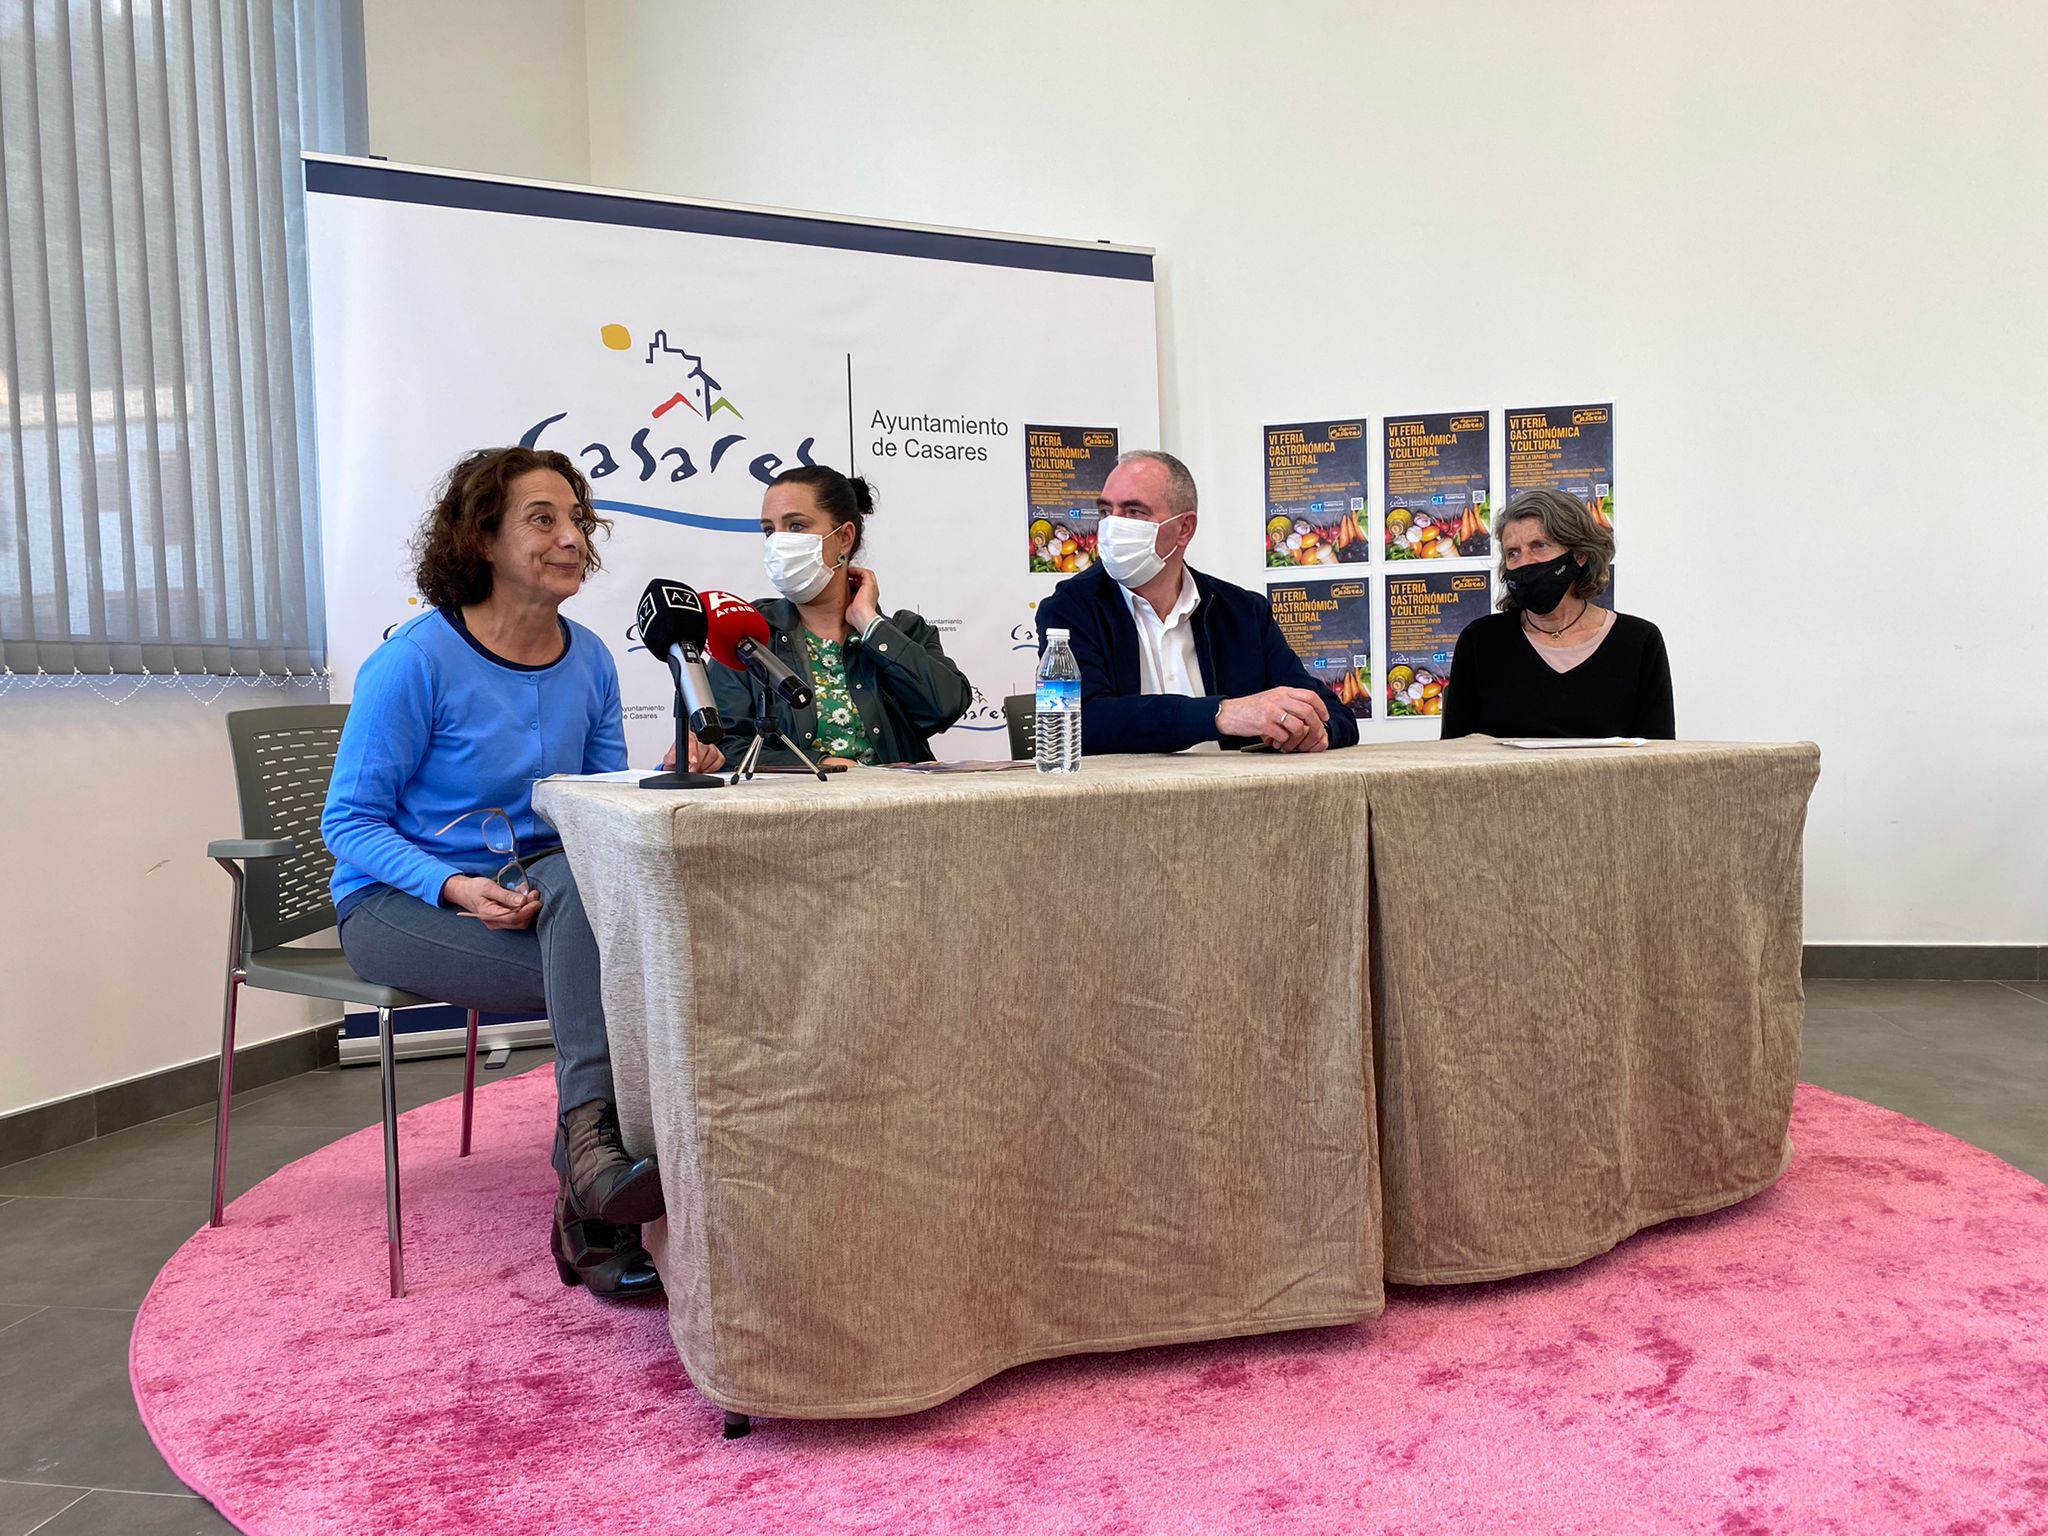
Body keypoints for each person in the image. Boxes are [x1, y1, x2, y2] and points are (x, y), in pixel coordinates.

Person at [322, 446, 721, 1299]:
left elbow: (594, 811)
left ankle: (591, 1171)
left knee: (594, 909)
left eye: (577, 519)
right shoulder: (414, 661)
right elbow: (348, 825)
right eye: (544, 519)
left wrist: (668, 772)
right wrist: (456, 887)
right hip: (400, 901)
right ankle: (592, 1193)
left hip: (540, 894)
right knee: (614, 973)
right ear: (482, 539)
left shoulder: (591, 659)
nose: (572, 537)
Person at [1032, 450, 1358, 754]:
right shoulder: (1070, 608)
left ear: (1184, 528)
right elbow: (1079, 722)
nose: (1112, 527)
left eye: (1133, 512)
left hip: (1236, 793)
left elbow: (1330, 711)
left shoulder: (1242, 612)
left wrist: (1316, 731)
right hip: (1120, 795)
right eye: (1105, 511)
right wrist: (1221, 714)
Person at [702, 465, 972, 766]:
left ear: (844, 537)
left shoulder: (905, 631)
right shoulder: (746, 636)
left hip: (896, 796)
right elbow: (723, 746)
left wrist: (871, 625)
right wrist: (819, 763)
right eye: (769, 530)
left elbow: (946, 707)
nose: (777, 542)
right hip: (800, 797)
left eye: (795, 526)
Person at [1438, 488, 1675, 739]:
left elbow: (1659, 754)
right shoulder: (1481, 641)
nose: (1525, 562)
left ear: (1580, 554)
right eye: (1513, 553)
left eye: (1539, 546)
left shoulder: (1638, 641)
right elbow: (1455, 752)